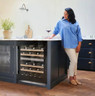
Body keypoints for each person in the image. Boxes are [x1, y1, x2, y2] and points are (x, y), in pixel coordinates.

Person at [48, 8, 83, 85]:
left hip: (76, 44)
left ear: (70, 15)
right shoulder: (61, 22)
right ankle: (70, 78)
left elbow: (79, 35)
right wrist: (51, 36)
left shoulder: (75, 23)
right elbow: (56, 30)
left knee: (75, 62)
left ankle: (75, 78)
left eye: (66, 14)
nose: (64, 15)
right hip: (67, 44)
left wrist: (79, 45)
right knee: (73, 61)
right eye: (64, 13)